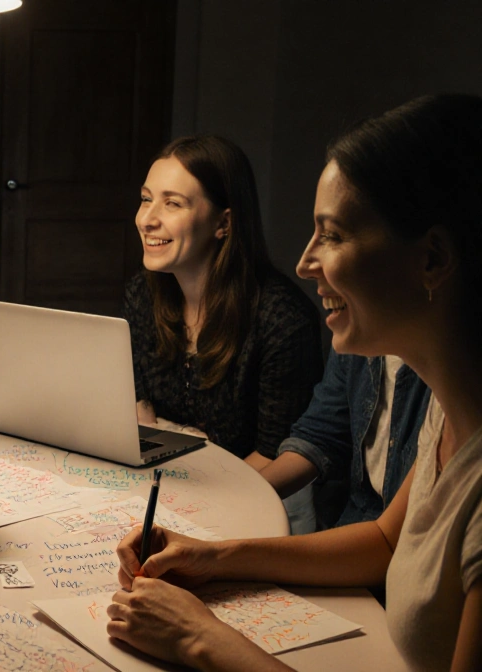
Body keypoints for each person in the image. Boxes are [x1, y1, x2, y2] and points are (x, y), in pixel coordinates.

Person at [108, 94, 482, 672]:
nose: (306, 263)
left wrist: (201, 639)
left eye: (331, 235)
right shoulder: (449, 412)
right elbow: (383, 541)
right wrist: (213, 556)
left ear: (432, 258)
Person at [125, 135, 323, 463]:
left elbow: (276, 453)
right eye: (146, 199)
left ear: (224, 222)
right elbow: (140, 412)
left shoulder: (282, 319)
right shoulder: (142, 294)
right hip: (166, 479)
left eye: (172, 203)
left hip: (257, 493)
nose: (147, 219)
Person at [256, 349, 430, 531]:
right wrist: (245, 495)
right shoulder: (357, 342)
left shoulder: (446, 382)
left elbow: (387, 538)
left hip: (404, 544)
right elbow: (322, 434)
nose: (329, 320)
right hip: (356, 524)